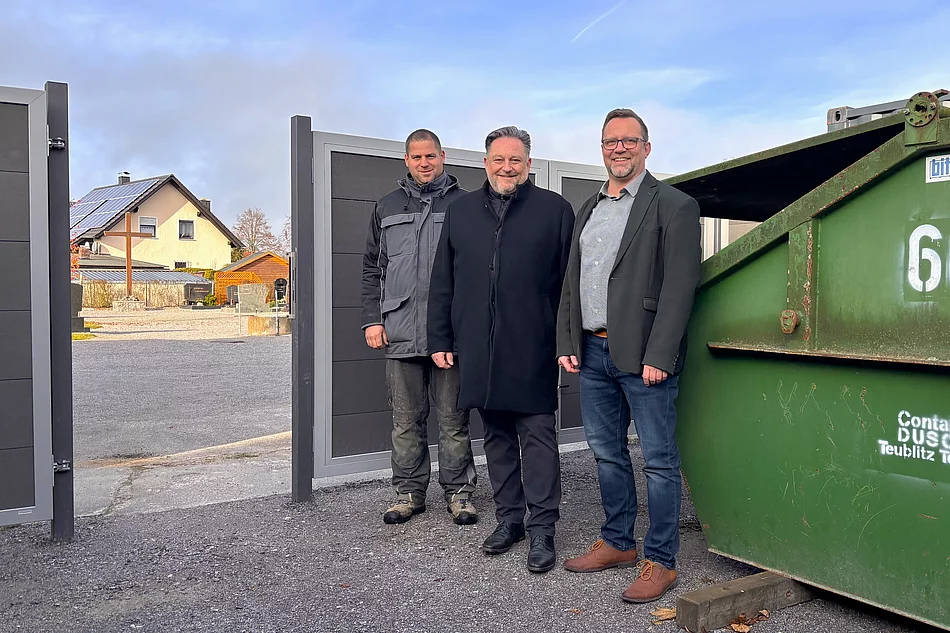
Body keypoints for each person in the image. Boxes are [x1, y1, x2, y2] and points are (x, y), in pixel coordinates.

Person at [556, 109, 701, 602]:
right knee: (606, 453)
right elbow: (572, 281)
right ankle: (618, 542)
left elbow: (681, 286)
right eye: (610, 141)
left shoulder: (674, 205)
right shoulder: (589, 207)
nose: (619, 148)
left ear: (646, 147)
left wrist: (660, 354)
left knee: (658, 461)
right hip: (592, 352)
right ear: (602, 149)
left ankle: (661, 560)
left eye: (629, 141)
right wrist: (568, 341)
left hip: (644, 358)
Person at [428, 126, 574, 573]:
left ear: (528, 163)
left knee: (538, 437)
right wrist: (440, 338)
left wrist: (566, 340)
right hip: (478, 345)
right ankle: (509, 519)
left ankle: (542, 527)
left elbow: (569, 285)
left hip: (532, 344)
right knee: (495, 437)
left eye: (515, 160)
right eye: (498, 159)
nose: (506, 168)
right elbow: (443, 280)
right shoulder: (460, 211)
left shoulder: (554, 209)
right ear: (485, 163)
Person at [361, 129, 478, 526]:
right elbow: (372, 269)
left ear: (443, 157)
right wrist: (372, 319)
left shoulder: (466, 204)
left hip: (449, 333)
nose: (424, 163)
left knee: (453, 420)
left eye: (431, 156)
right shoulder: (387, 206)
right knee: (405, 421)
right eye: (417, 157)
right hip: (400, 329)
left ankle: (460, 494)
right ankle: (408, 494)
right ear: (406, 160)